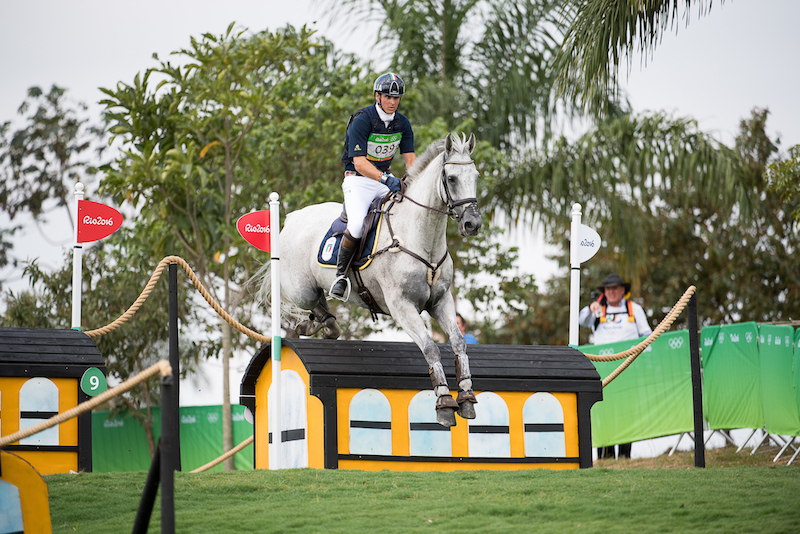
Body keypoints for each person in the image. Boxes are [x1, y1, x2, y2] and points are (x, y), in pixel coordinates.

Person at [330, 72, 417, 300]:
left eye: (397, 98)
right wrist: (387, 180)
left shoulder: (403, 123)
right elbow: (359, 162)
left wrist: (415, 180)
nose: (393, 102)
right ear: (378, 96)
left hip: (384, 179)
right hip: (358, 180)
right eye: (388, 97)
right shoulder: (363, 120)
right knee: (357, 224)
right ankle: (341, 276)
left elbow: (410, 160)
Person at [579, 273, 652, 460]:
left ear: (622, 291)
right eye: (608, 289)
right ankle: (606, 455)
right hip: (602, 369)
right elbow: (581, 321)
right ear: (604, 292)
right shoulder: (597, 310)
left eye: (615, 288)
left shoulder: (634, 309)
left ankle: (626, 455)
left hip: (628, 368)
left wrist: (645, 361)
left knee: (628, 409)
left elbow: (647, 336)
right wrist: (590, 307)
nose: (611, 292)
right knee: (604, 410)